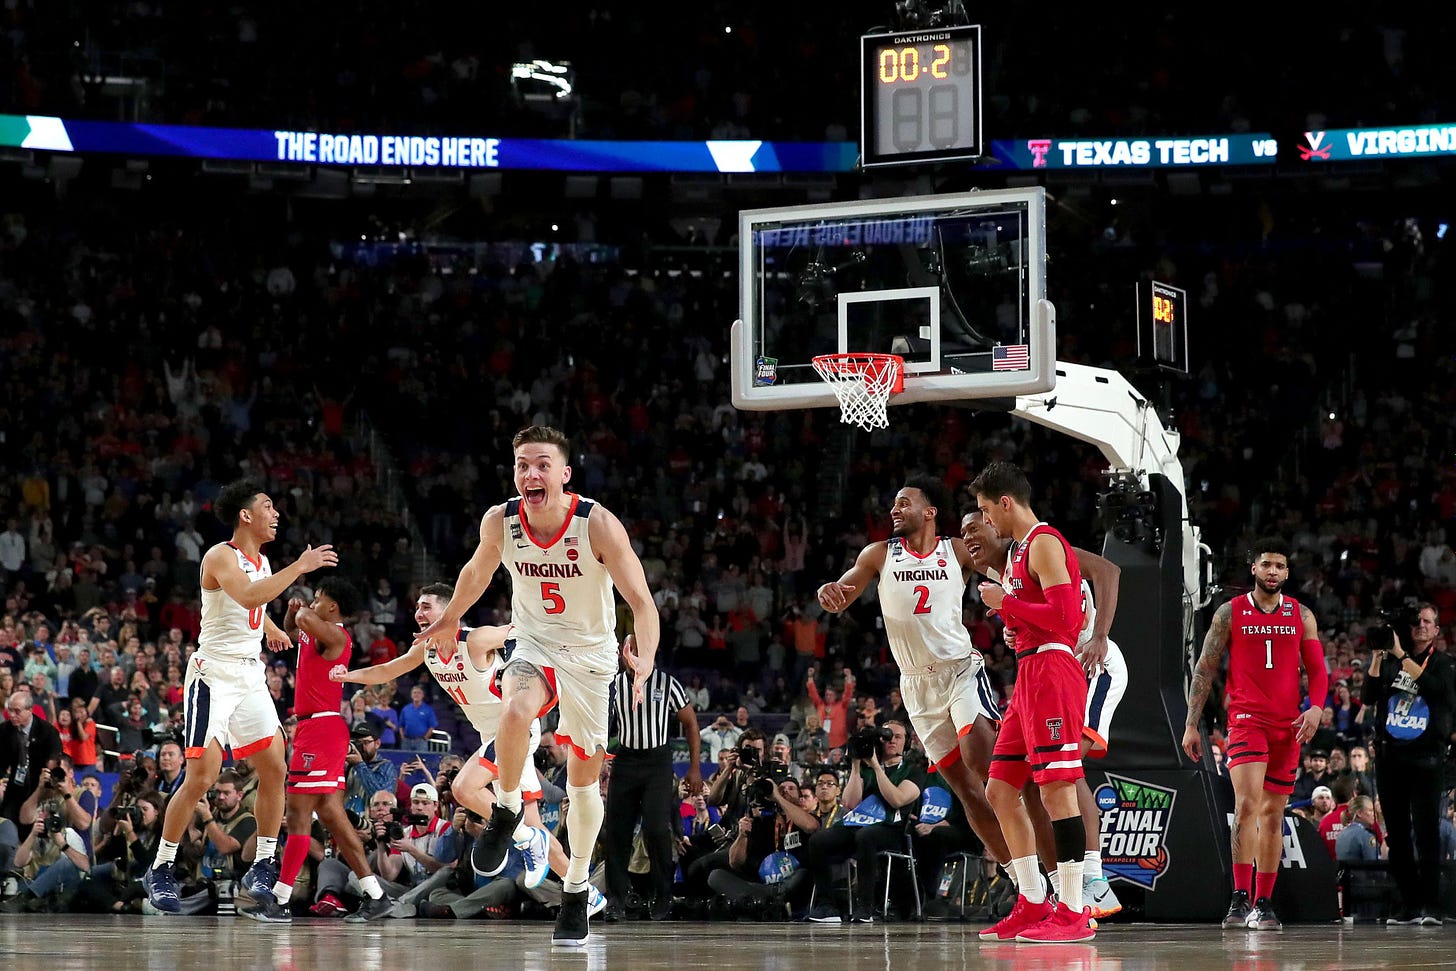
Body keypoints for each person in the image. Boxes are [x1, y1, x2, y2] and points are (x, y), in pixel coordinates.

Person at [415, 425, 659, 946]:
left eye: (543, 464)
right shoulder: (501, 521)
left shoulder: (596, 523)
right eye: (523, 464)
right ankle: (506, 807)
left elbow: (640, 601)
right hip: (533, 644)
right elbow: (475, 574)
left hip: (592, 658)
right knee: (514, 710)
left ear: (565, 474)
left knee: (582, 784)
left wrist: (646, 658)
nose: (531, 473)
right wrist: (450, 618)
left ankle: (574, 891)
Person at [142, 480, 338, 913]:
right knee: (202, 776)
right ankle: (160, 868)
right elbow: (248, 593)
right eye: (268, 506)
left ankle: (264, 863)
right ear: (246, 515)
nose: (276, 513)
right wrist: (301, 567)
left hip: (250, 674)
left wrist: (268, 628)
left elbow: (253, 605)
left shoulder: (262, 560)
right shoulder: (220, 555)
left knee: (274, 764)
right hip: (214, 674)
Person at [815, 475, 1012, 883]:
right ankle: (1020, 878)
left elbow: (1006, 568)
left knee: (984, 764)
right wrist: (829, 592)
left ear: (930, 512)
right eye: (894, 503)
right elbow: (843, 594)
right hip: (916, 687)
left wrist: (1013, 598)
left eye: (904, 503)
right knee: (968, 792)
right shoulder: (879, 554)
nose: (895, 509)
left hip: (959, 670)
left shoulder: (956, 550)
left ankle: (1048, 848)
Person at [331, 581, 563, 898]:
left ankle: (521, 835)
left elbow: (518, 630)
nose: (418, 613)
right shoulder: (427, 650)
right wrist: (348, 676)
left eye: (427, 606)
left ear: (450, 610)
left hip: (514, 731)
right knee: (536, 827)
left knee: (464, 788)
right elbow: (387, 670)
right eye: (417, 608)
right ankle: (583, 889)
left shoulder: (475, 640)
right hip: (490, 736)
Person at [962, 507, 1128, 919]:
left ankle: (1091, 881)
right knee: (1023, 783)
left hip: (1086, 661)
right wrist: (1011, 619)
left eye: (976, 523)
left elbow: (1108, 571)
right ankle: (1041, 894)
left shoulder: (1042, 546)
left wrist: (1101, 637)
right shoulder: (1008, 571)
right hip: (1042, 668)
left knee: (1064, 774)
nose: (968, 536)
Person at [970, 461, 1094, 944]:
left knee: (1057, 791)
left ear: (1005, 502)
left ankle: (1075, 909)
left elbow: (1065, 619)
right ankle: (1033, 900)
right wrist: (1016, 622)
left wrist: (1007, 605)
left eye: (986, 510)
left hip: (1053, 672)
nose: (986, 521)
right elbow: (1040, 615)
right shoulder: (1020, 552)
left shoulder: (1044, 541)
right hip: (1029, 674)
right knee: (1000, 789)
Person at [1183, 537, 1327, 932]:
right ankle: (1238, 898)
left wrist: (1315, 706)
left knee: (1273, 812)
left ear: (1286, 572)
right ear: (1254, 569)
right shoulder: (1230, 612)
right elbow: (1205, 669)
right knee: (1246, 805)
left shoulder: (1303, 615)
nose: (1273, 572)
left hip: (1288, 726)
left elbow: (1317, 670)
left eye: (1279, 566)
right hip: (1246, 720)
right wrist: (1192, 724)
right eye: (1266, 565)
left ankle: (1264, 903)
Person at [239, 578, 393, 923]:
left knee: (297, 813)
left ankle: (279, 899)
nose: (313, 601)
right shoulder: (318, 629)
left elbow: (307, 621)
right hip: (318, 729)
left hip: (321, 730)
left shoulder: (337, 635)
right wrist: (293, 614)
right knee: (332, 819)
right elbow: (298, 629)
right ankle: (376, 895)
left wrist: (301, 609)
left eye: (320, 598)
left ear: (333, 608)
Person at [1360, 603, 1456, 925]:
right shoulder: (1388, 661)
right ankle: (1408, 904)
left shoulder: (1443, 663)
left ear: (1437, 630)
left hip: (1426, 759)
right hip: (1391, 757)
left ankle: (1431, 904)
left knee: (1427, 833)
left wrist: (1402, 657)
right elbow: (1368, 696)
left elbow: (1437, 690)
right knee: (1397, 835)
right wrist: (1377, 656)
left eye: (1428, 622)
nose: (1421, 626)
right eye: (1416, 622)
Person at [603, 641, 701, 921]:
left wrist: (694, 768)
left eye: (640, 648)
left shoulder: (667, 683)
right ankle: (616, 900)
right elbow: (599, 724)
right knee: (617, 832)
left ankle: (663, 895)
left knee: (657, 829)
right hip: (625, 760)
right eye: (630, 648)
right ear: (623, 654)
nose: (634, 654)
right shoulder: (614, 685)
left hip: (658, 762)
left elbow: (691, 723)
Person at [0, 688, 64, 875]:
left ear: (30, 710)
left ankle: (32, 874)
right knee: (8, 829)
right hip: (14, 789)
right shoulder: (4, 730)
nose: (12, 715)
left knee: (36, 833)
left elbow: (56, 761)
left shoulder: (47, 732)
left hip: (41, 791)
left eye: (17, 711)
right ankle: (8, 872)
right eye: (10, 710)